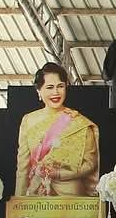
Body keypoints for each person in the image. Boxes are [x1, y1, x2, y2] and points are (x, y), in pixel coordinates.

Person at [15, 62, 99, 198]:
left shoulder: (78, 122)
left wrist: (59, 174)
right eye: (50, 87)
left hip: (71, 196)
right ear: (39, 91)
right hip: (36, 194)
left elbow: (90, 164)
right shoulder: (28, 120)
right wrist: (18, 201)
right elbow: (23, 168)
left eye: (60, 86)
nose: (56, 92)